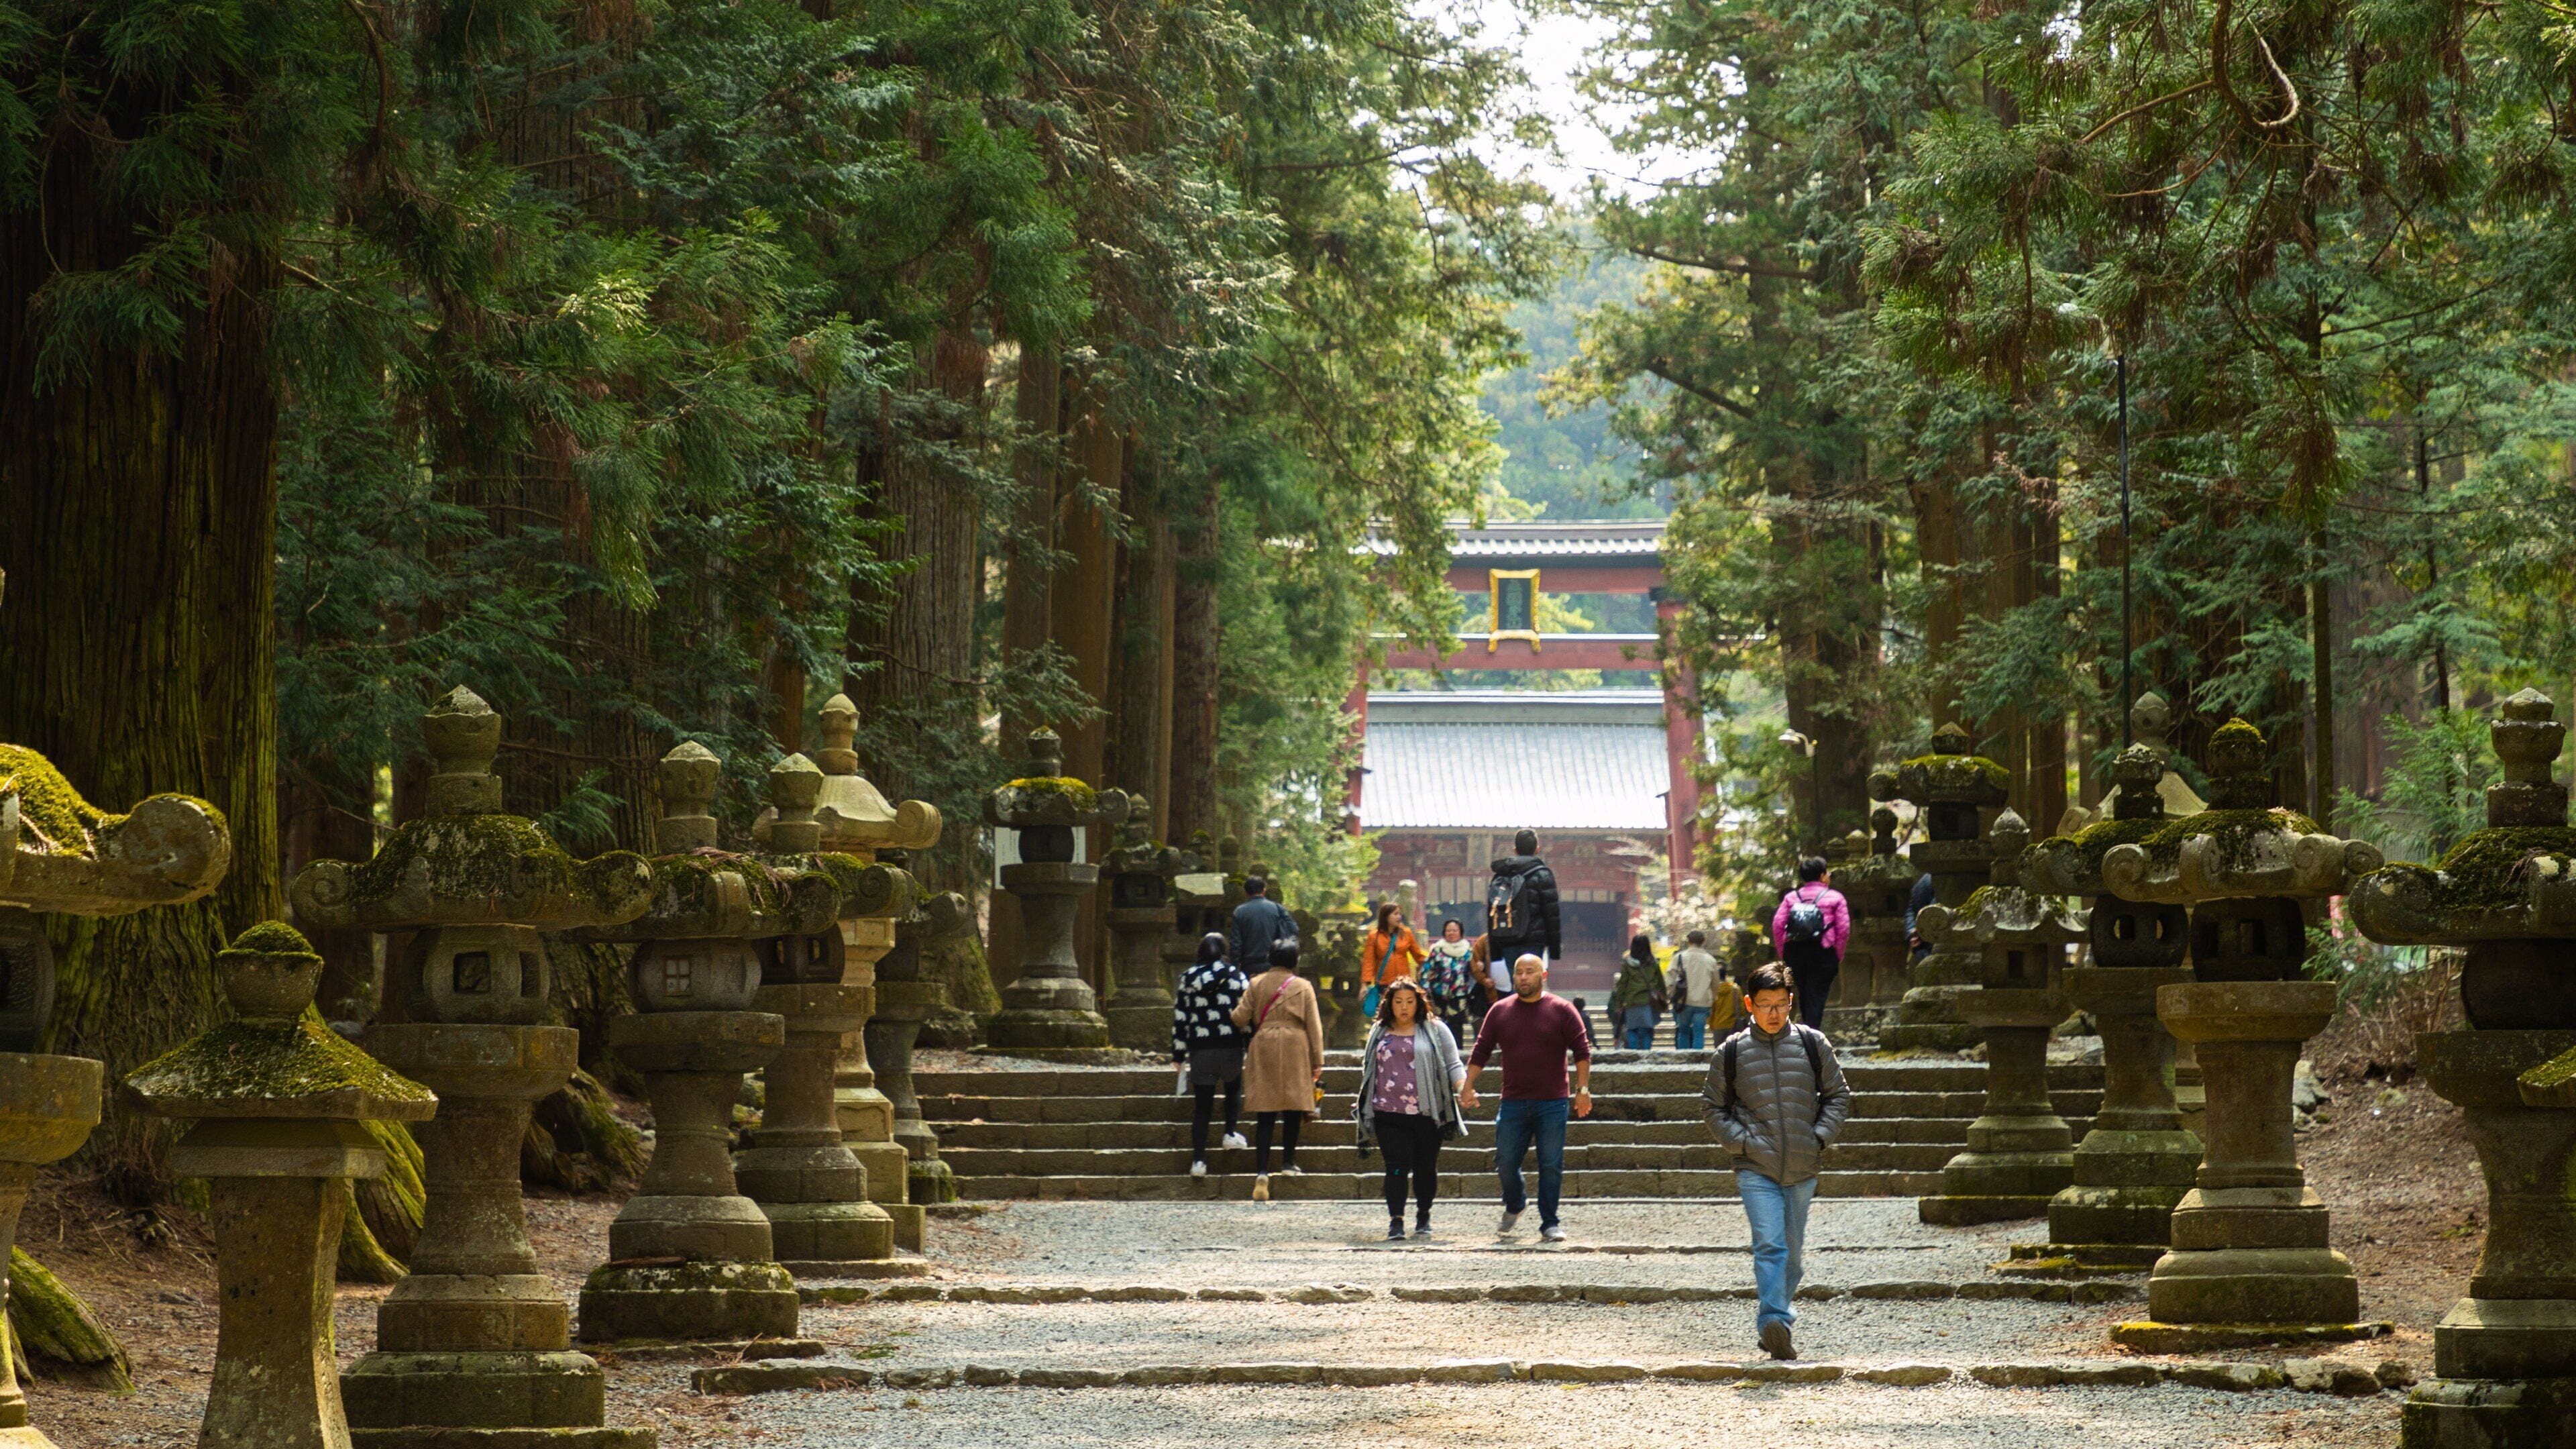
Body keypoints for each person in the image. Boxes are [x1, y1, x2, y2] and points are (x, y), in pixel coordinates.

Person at [1705, 963, 1851, 1361]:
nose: (1774, 1013)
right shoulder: (1731, 1051)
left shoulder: (1812, 1043)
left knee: (1793, 1254)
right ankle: (1775, 1322)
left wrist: (1818, 1137)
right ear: (1749, 1004)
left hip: (1803, 1165)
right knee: (1770, 1245)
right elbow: (1713, 1107)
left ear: (1791, 1002)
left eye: (1781, 1004)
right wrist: (1743, 1143)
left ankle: (1776, 1322)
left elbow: (1838, 1095)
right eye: (1765, 1005)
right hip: (1755, 1167)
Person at [1462, 953, 1593, 1242]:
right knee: (1505, 1160)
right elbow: (1482, 1049)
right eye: (1519, 972)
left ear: (1543, 976)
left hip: (1552, 1101)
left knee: (1550, 1163)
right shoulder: (1500, 1010)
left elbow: (1582, 1051)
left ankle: (1550, 1223)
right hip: (1514, 1101)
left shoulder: (1562, 1010)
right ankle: (1516, 1202)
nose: (1523, 977)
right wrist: (1468, 1084)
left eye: (1530, 971)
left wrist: (1582, 1090)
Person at [1355, 979, 1470, 1240]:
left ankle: (1423, 1215)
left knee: (1425, 1166)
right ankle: (1396, 1221)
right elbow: (1369, 1068)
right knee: (1395, 1166)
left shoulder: (1436, 1029)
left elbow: (1453, 1064)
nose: (1404, 1007)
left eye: (1410, 1001)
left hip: (1427, 1112)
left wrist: (1463, 1087)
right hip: (1387, 1111)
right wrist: (1364, 1097)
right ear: (1390, 1004)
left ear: (1419, 1003)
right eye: (1398, 1002)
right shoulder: (1379, 1031)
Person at [1232, 938, 1325, 1203]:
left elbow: (1240, 1017)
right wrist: (1318, 1060)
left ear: (1270, 958)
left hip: (1264, 1043)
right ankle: (1288, 1162)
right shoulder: (1303, 986)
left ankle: (1262, 1171)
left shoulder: (1256, 983)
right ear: (1295, 960)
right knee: (1293, 1108)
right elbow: (1314, 1026)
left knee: (1266, 1113)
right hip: (1296, 1044)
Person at [1170, 931, 1252, 1176]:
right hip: (1230, 1046)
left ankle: (1199, 1161)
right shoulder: (1237, 976)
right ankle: (1229, 1133)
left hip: (1201, 1049)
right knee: (1233, 1090)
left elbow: (1181, 1018)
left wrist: (1178, 1054)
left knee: (1202, 1107)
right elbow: (1246, 1013)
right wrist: (1250, 1044)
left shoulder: (1188, 977)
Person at [1771, 857, 1851, 1029]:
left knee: (1804, 992)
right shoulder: (1835, 897)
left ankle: (1808, 1030)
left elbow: (1778, 925)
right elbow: (1844, 929)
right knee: (1817, 994)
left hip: (1795, 951)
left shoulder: (1791, 898)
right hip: (1823, 951)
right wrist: (1838, 954)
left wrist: (1784, 952)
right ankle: (1812, 1033)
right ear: (1822, 875)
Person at [1483, 828, 1562, 969]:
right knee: (1532, 979)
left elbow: (1493, 911)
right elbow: (1552, 915)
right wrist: (1554, 949)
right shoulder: (1543, 875)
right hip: (1534, 941)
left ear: (1515, 850)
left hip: (1508, 939)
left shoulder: (1502, 874)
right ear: (1537, 849)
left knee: (1517, 979)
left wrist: (1495, 951)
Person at [1359, 901, 1426, 1021]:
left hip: (1404, 983)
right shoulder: (1374, 936)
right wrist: (1365, 985)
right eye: (1395, 914)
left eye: (1400, 914)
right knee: (1386, 1016)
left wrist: (1427, 966)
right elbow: (1368, 962)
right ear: (1386, 916)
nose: (1399, 917)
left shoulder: (1406, 933)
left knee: (1404, 1013)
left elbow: (1418, 956)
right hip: (1384, 984)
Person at [1420, 920, 1480, 1044]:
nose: (1451, 933)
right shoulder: (1437, 950)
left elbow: (1475, 972)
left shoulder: (1468, 952)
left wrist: (1480, 967)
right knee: (1439, 1027)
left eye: (1454, 930)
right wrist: (1425, 991)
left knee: (1457, 1027)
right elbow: (1426, 971)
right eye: (1448, 931)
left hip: (1459, 997)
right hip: (1438, 996)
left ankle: (1458, 1052)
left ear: (1460, 932)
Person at [1667, 929, 1726, 1051]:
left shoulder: (1679, 958)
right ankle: (1697, 1058)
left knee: (1683, 1032)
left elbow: (1670, 979)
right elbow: (1715, 983)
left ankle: (1683, 1057)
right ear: (1703, 941)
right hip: (1703, 1002)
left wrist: (1672, 994)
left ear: (1688, 941)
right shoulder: (1710, 960)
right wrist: (1713, 997)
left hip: (1683, 1001)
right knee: (1699, 1033)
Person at [1230, 874, 1297, 974]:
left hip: (1249, 967)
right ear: (1264, 891)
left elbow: (1236, 943)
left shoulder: (1240, 912)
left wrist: (1235, 966)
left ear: (1245, 892)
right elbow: (1293, 930)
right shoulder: (1277, 908)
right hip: (1273, 966)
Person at [1609, 934, 1666, 1050]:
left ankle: (1633, 1054)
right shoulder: (1654, 963)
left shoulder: (1627, 965)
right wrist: (1664, 998)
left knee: (1632, 1029)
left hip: (1632, 1001)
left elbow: (1622, 985)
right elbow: (1661, 982)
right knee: (1647, 1030)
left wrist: (1619, 1004)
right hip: (1649, 1001)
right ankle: (1646, 1053)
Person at [1906, 869, 1937, 961]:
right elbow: (1912, 909)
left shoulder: (1925, 880)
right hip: (1927, 947)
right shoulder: (1926, 881)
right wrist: (1912, 931)